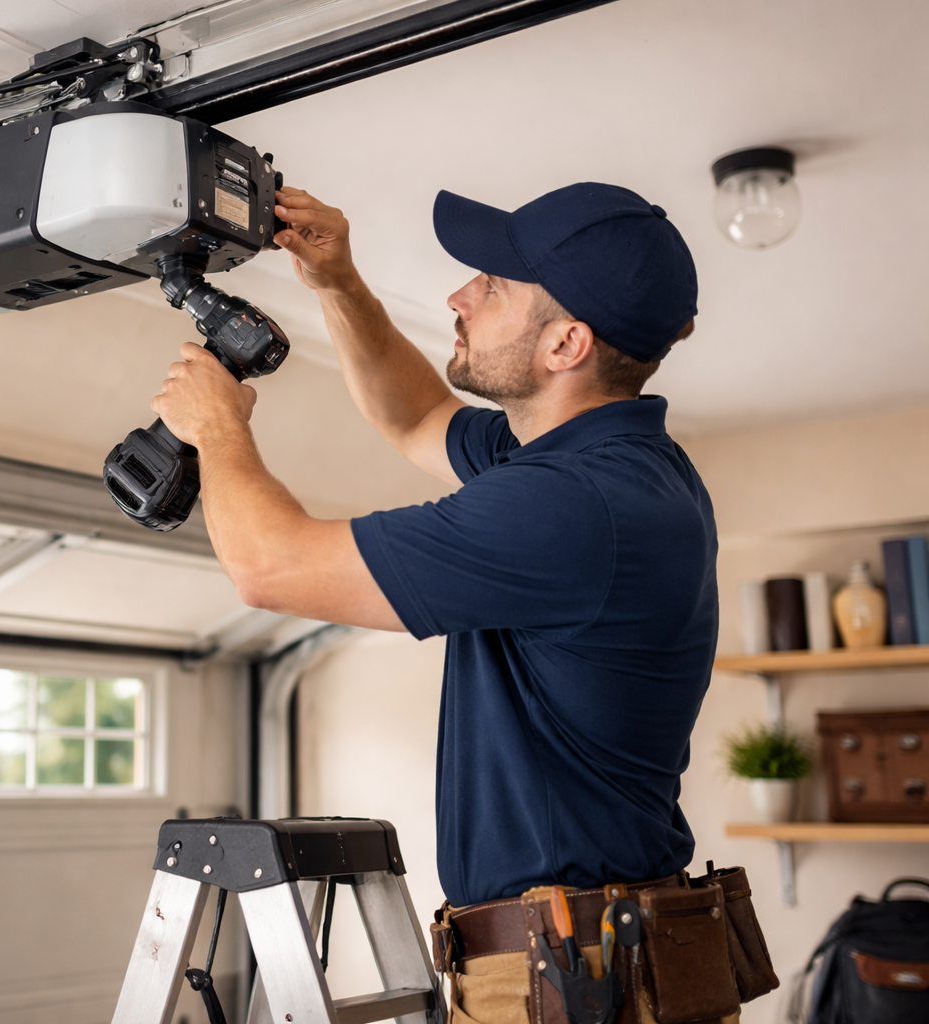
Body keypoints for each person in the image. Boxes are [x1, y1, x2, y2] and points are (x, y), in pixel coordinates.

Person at [150, 183, 722, 1024]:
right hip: (582, 962)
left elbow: (270, 568)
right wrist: (339, 284)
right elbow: (416, 415)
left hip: (578, 981)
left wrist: (217, 429)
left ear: (566, 342)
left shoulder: (574, 506)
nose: (458, 295)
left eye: (491, 285)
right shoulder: (592, 461)